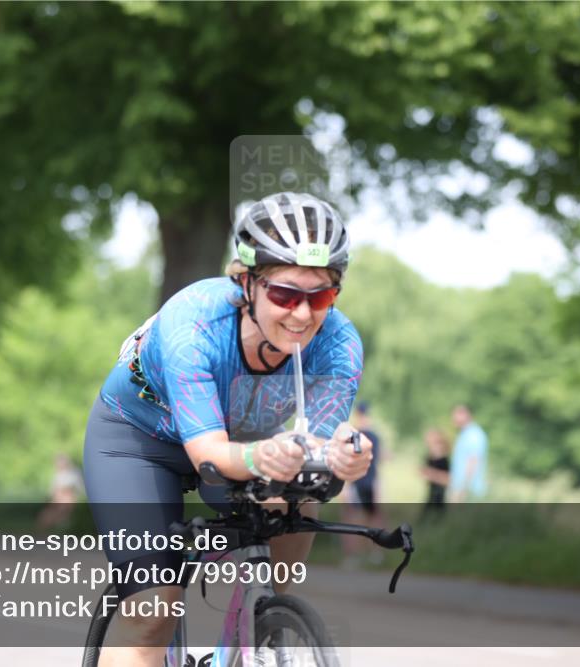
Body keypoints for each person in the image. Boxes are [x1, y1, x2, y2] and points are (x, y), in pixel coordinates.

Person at [83, 192, 372, 667]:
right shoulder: (194, 324)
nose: (302, 315)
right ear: (246, 283)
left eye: (319, 296)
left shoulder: (339, 344)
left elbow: (314, 447)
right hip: (139, 443)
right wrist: (264, 457)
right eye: (284, 294)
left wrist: (341, 456)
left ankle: (267, 623)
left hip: (236, 439)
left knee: (300, 490)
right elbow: (210, 456)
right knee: (153, 613)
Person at [341, 403, 385, 567]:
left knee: (353, 519)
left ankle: (355, 556)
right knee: (372, 518)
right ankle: (373, 554)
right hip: (369, 481)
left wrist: (345, 487)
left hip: (358, 481)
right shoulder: (374, 436)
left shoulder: (353, 435)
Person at [449, 405, 489, 502]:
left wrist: (463, 489)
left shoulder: (474, 435)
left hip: (469, 491)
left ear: (466, 415)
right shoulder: (464, 434)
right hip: (460, 488)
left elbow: (473, 461)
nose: (453, 418)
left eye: (456, 414)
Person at [37, 454, 84, 531]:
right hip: (58, 499)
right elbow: (53, 490)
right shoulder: (58, 474)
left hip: (69, 498)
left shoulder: (74, 473)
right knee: (47, 514)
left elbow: (78, 488)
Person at [420, 428, 450, 518]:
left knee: (438, 510)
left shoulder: (444, 459)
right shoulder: (430, 456)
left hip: (440, 490)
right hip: (432, 487)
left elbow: (446, 478)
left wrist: (430, 473)